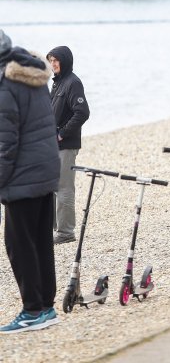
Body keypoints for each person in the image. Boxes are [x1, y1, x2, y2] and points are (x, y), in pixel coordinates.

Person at [0, 31, 61, 333]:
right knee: (39, 241)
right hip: (45, 170)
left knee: (18, 243)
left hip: (23, 176)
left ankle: (32, 310)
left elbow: (5, 143)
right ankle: (46, 307)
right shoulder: (32, 73)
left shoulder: (5, 85)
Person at [47, 46, 90, 245]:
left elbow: (82, 112)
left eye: (56, 60)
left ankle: (66, 232)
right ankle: (55, 229)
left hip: (66, 145)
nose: (53, 64)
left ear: (65, 61)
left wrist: (63, 133)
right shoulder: (57, 83)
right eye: (51, 60)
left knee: (64, 188)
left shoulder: (73, 83)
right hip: (52, 145)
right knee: (52, 187)